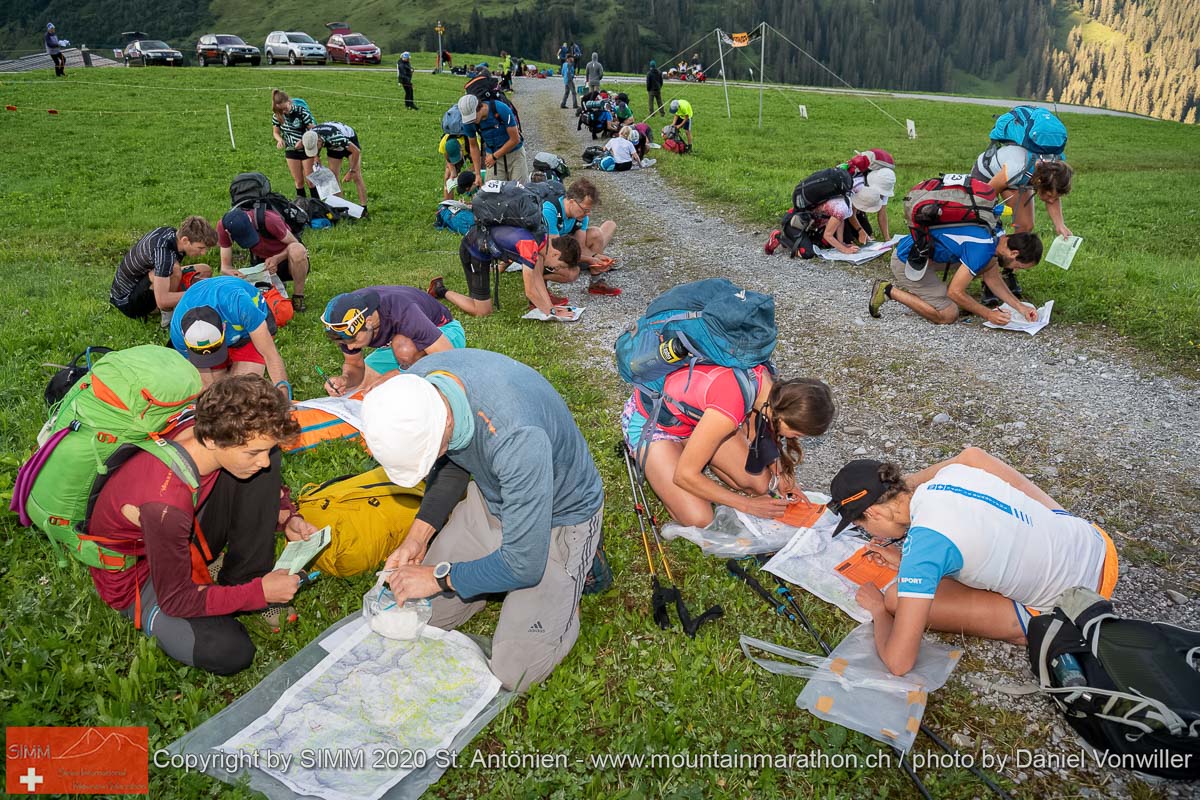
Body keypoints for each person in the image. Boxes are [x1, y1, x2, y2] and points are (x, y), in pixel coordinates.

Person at [361, 349, 605, 691]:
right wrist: (416, 538)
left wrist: (438, 577)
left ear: (445, 420)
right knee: (416, 616)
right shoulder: (421, 386)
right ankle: (491, 578)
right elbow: (452, 462)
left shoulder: (517, 437)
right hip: (494, 499)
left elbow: (523, 566)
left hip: (560, 517)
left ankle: (571, 585)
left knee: (514, 671)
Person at [87, 375, 313, 674]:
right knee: (229, 651)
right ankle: (234, 583)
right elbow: (177, 600)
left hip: (184, 535)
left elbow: (255, 468)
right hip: (142, 576)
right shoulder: (165, 504)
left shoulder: (202, 431)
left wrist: (285, 516)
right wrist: (259, 593)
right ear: (210, 438)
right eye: (252, 452)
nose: (264, 461)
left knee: (261, 462)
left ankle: (240, 575)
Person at [827, 448, 1120, 676]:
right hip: (1098, 548)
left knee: (894, 598)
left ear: (874, 514)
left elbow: (899, 662)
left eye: (863, 526)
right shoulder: (955, 472)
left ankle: (1034, 624)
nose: (869, 533)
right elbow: (974, 455)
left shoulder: (925, 545)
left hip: (1073, 605)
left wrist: (878, 610)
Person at [622, 370, 835, 528]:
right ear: (787, 419)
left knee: (762, 484)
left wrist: (780, 475)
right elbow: (684, 476)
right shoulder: (730, 408)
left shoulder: (770, 390)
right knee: (699, 519)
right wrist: (747, 505)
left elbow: (759, 431)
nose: (797, 439)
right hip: (653, 424)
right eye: (798, 435)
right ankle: (655, 456)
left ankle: (693, 450)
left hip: (696, 422)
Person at [868, 221, 1043, 326]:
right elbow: (955, 292)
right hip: (906, 260)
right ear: (1014, 253)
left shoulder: (997, 235)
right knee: (948, 314)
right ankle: (887, 290)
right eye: (1019, 266)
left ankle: (928, 292)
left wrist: (1020, 306)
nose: (1014, 269)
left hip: (927, 255)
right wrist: (988, 314)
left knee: (991, 264)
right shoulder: (982, 249)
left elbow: (992, 277)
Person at [321, 286, 467, 395]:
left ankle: (414, 381)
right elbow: (354, 366)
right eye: (344, 343)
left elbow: (449, 361)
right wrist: (345, 379)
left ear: (369, 321)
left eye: (353, 341)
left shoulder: (402, 311)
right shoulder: (345, 321)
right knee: (364, 389)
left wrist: (398, 374)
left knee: (404, 350)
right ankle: (407, 370)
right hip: (396, 344)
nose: (350, 348)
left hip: (443, 334)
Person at [972, 147, 1074, 302]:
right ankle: (989, 279)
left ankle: (1008, 269)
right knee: (987, 227)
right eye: (1049, 195)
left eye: (1056, 197)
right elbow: (985, 196)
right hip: (988, 178)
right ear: (1039, 182)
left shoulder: (1053, 172)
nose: (1051, 200)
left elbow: (1052, 194)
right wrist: (991, 219)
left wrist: (1059, 225)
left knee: (1024, 227)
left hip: (1019, 179)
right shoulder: (1016, 169)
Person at [170, 276, 291, 397]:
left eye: (215, 348)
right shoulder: (178, 334)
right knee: (220, 394)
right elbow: (207, 384)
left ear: (224, 327)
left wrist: (284, 397)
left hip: (248, 333)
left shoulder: (239, 304)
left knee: (243, 392)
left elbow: (270, 354)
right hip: (228, 319)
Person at [429, 225, 580, 319]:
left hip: (483, 244)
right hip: (473, 249)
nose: (555, 269)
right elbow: (530, 291)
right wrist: (552, 313)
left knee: (483, 306)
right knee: (482, 311)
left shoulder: (542, 240)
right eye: (559, 266)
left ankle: (442, 290)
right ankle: (440, 290)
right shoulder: (531, 247)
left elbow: (537, 279)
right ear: (556, 254)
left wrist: (551, 309)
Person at [110, 217, 216, 323]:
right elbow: (163, 301)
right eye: (200, 248)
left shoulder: (172, 234)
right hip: (127, 302)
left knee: (204, 270)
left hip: (142, 280)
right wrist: (199, 293)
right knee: (175, 270)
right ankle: (168, 316)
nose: (204, 253)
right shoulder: (164, 255)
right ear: (185, 240)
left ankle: (177, 298)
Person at [218, 207, 310, 311]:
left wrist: (277, 259)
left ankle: (298, 297)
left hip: (285, 259)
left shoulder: (270, 220)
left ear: (250, 221)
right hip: (261, 263)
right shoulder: (223, 226)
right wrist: (232, 273)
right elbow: (225, 267)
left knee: (298, 251)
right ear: (228, 232)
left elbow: (295, 244)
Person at [541, 178, 620, 296]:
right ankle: (539, 282)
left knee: (596, 234)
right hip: (546, 252)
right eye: (585, 210)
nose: (588, 214)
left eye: (589, 210)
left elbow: (581, 246)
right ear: (572, 202)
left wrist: (597, 258)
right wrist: (591, 259)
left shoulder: (581, 215)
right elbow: (554, 251)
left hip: (566, 246)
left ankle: (596, 282)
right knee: (571, 274)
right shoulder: (550, 210)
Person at [458, 94, 526, 183]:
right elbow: (473, 146)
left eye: (473, 117)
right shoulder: (469, 123)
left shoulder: (501, 109)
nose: (471, 121)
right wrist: (477, 174)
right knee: (492, 194)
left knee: (519, 191)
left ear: (479, 108)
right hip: (492, 157)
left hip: (515, 154)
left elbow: (515, 139)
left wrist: (494, 156)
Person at [301, 123, 367, 210]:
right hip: (331, 144)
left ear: (319, 141)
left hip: (349, 141)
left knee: (356, 176)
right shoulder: (309, 135)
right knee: (333, 177)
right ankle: (340, 207)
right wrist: (316, 156)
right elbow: (313, 146)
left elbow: (356, 151)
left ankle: (364, 208)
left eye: (315, 148)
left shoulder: (335, 137)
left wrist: (352, 171)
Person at [270, 90, 316, 199]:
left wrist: (303, 141)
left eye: (285, 108)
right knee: (298, 181)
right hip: (291, 150)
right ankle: (302, 205)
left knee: (310, 180)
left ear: (289, 102)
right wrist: (279, 140)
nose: (284, 112)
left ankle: (317, 205)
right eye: (281, 110)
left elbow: (313, 130)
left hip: (306, 149)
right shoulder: (277, 115)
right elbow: (276, 132)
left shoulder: (301, 112)